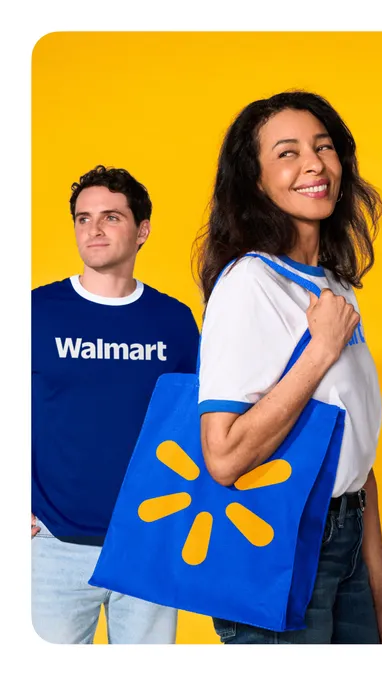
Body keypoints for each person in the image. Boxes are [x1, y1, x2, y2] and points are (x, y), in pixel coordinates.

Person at [193, 90, 382, 644]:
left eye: (323, 147)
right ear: (255, 181)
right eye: (287, 152)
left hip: (346, 537)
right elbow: (224, 456)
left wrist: (381, 588)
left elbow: (357, 455)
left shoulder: (336, 287)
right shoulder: (248, 284)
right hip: (278, 539)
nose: (314, 164)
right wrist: (320, 350)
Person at [32, 165, 199, 643]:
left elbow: (195, 420)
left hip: (147, 542)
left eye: (110, 217)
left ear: (142, 230)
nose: (94, 229)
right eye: (83, 219)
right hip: (52, 545)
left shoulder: (173, 320)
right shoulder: (35, 312)